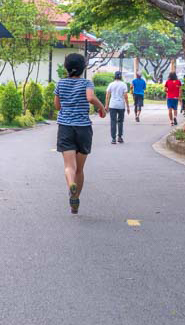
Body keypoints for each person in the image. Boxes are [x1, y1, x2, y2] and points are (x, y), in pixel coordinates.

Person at [54, 52, 106, 214]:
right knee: (80, 169)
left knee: (69, 166)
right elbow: (90, 98)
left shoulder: (61, 83)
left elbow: (57, 106)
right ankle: (75, 202)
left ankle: (71, 186)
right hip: (83, 128)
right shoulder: (86, 83)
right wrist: (102, 107)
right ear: (84, 68)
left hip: (65, 127)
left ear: (66, 68)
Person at [105, 71, 130, 144]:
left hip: (112, 105)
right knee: (120, 121)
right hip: (121, 105)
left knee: (113, 121)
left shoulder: (111, 84)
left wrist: (106, 105)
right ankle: (119, 137)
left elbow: (107, 95)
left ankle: (113, 139)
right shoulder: (123, 85)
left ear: (114, 76)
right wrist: (128, 107)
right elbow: (126, 96)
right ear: (121, 77)